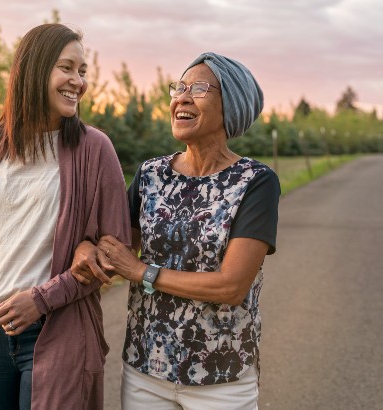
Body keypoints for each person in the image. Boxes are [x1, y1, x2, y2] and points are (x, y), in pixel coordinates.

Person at [0, 23, 131, 410]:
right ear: (34, 70)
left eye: (82, 71)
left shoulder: (95, 149)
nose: (78, 81)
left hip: (57, 329)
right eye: (66, 68)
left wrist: (42, 299)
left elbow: (113, 253)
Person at [72, 52, 280, 409]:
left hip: (222, 378)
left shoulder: (256, 182)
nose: (181, 97)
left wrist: (141, 271)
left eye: (198, 88)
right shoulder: (151, 174)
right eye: (178, 87)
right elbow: (116, 249)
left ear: (230, 105)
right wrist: (86, 249)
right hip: (145, 371)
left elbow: (231, 286)